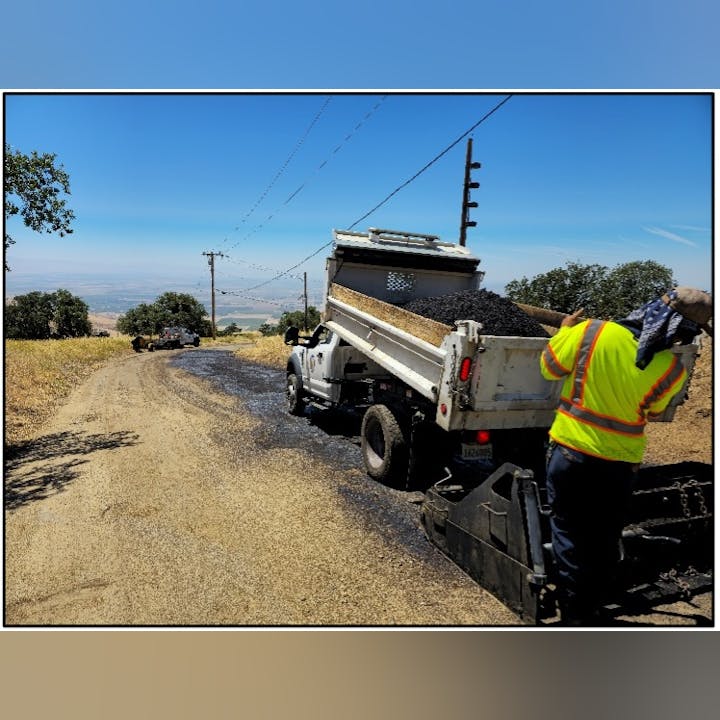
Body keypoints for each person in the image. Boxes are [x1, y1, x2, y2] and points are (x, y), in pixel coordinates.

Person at [539, 286, 712, 625]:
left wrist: (563, 331)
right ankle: (596, 603)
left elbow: (549, 368)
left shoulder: (591, 332)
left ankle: (576, 616)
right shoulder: (672, 369)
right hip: (620, 466)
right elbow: (653, 410)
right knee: (603, 536)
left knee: (568, 532)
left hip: (572, 455)